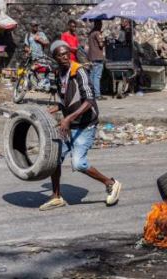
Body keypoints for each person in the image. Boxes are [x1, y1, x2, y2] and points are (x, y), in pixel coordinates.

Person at [41, 40, 122, 211]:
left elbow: (89, 101)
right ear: (54, 57)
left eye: (66, 53)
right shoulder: (58, 74)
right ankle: (56, 196)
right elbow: (66, 100)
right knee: (54, 159)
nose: (64, 57)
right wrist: (54, 109)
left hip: (85, 125)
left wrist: (68, 118)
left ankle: (111, 183)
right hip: (69, 125)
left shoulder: (79, 71)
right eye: (60, 55)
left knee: (78, 164)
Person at [88, 20, 107, 101]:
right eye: (100, 24)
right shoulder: (97, 33)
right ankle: (97, 95)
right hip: (98, 57)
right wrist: (105, 41)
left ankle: (91, 93)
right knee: (97, 76)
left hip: (91, 57)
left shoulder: (91, 33)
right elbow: (101, 45)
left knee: (92, 75)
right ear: (98, 24)